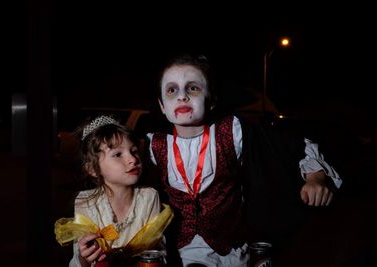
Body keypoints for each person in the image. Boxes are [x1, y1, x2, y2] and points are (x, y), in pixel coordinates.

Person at [145, 54, 342, 266]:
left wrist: (316, 177)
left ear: (211, 100)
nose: (182, 96)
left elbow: (295, 145)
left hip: (231, 255)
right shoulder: (151, 145)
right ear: (162, 105)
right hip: (176, 256)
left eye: (193, 88)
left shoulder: (233, 131)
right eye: (172, 90)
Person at [69, 115, 162, 267]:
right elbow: (79, 261)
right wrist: (84, 257)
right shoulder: (85, 201)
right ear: (93, 168)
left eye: (134, 151)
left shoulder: (149, 197)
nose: (133, 159)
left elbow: (157, 251)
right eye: (118, 154)